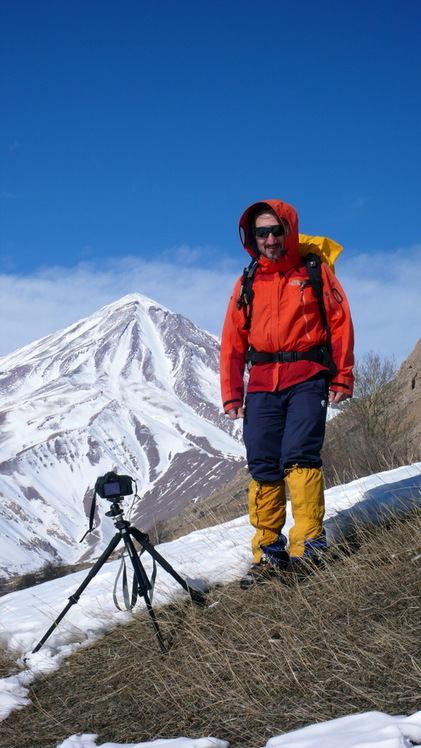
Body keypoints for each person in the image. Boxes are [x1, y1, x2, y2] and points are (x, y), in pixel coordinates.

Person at [220, 199, 354, 585]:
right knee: (262, 464)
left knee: (300, 456)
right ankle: (268, 553)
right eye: (262, 232)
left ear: (289, 231)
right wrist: (232, 392)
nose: (270, 239)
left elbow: (340, 321)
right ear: (252, 237)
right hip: (261, 383)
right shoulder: (247, 280)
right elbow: (232, 339)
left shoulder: (314, 271)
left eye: (276, 230)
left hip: (307, 375)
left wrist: (342, 375)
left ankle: (308, 547)